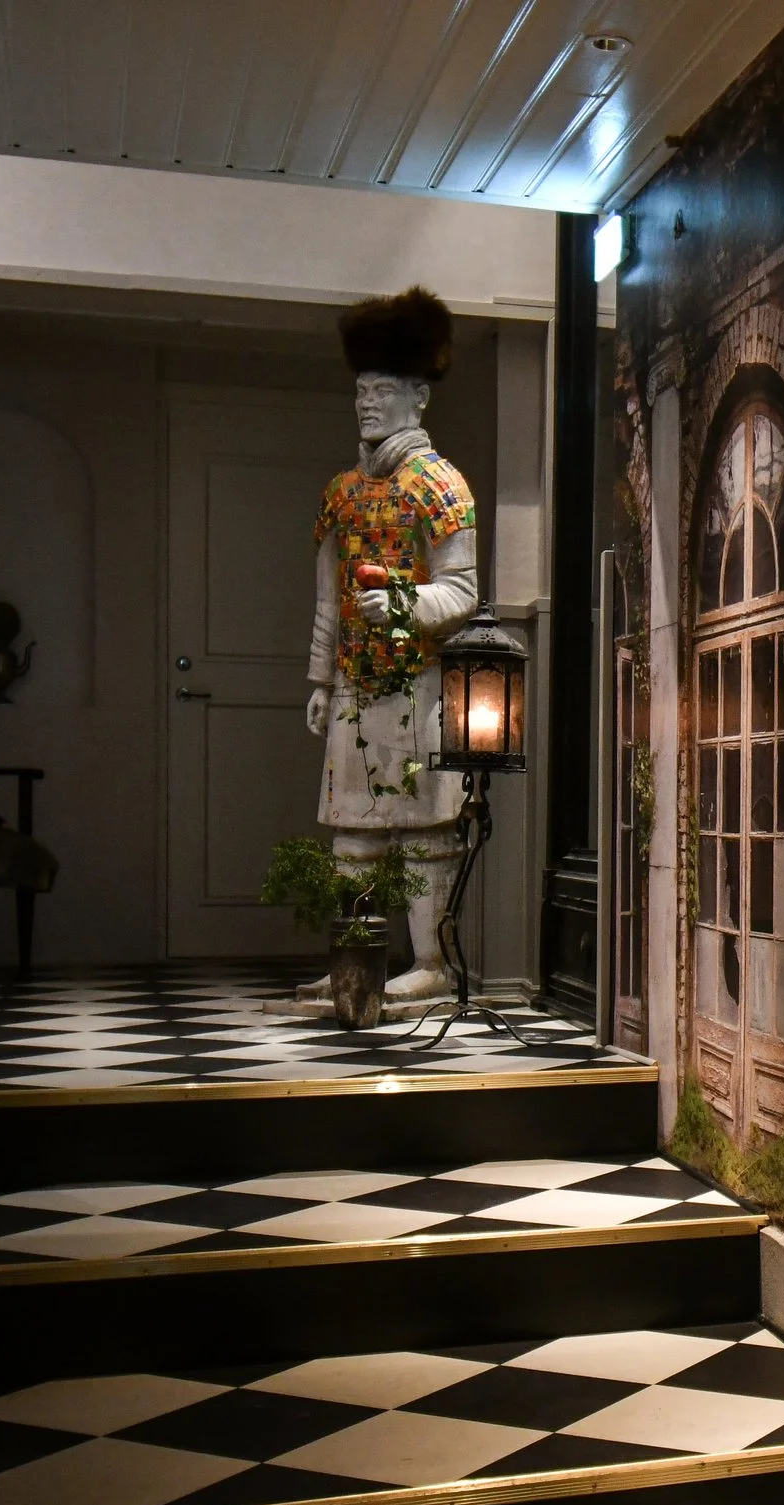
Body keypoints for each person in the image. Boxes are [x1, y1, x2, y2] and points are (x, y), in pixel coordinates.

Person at [300, 287, 478, 1001]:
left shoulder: (440, 485)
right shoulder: (341, 493)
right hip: (354, 684)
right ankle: (357, 962)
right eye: (361, 391)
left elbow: (462, 593)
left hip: (419, 681)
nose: (366, 404)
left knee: (426, 831)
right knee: (354, 835)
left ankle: (432, 965)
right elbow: (328, 598)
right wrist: (320, 680)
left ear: (418, 397)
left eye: (382, 391)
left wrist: (403, 603)